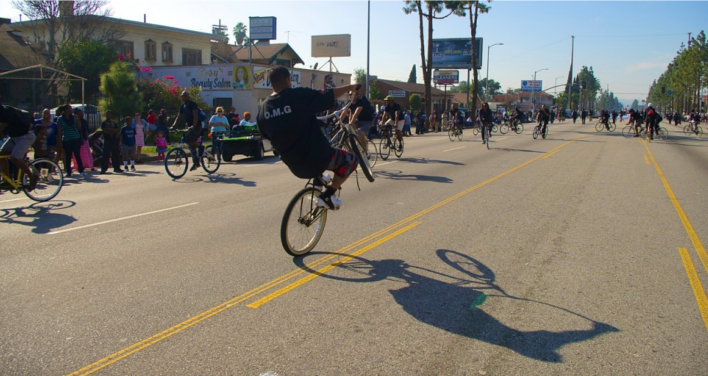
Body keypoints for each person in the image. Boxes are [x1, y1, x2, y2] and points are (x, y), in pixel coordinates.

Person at [256, 66, 361, 210]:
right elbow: (329, 94)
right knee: (352, 161)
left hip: (295, 166)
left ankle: (319, 181)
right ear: (288, 80)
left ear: (271, 83)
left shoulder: (262, 110)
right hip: (317, 158)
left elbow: (267, 137)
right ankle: (328, 195)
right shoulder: (297, 96)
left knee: (308, 151)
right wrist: (351, 87)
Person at [0, 96, 38, 189]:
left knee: (14, 158)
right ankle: (7, 180)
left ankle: (32, 177)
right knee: (1, 155)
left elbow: (1, 129)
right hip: (14, 137)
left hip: (25, 136)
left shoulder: (5, 112)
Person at [171, 91, 203, 171]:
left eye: (184, 96)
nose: (183, 97)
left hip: (197, 126)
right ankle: (196, 163)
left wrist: (194, 126)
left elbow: (195, 115)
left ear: (188, 96)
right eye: (182, 96)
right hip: (188, 126)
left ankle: (201, 147)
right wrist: (173, 125)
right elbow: (179, 116)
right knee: (189, 143)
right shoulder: (182, 106)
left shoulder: (192, 104)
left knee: (189, 140)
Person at [55, 104, 84, 178]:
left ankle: (81, 170)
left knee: (77, 154)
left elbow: (79, 128)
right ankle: (68, 171)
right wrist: (60, 142)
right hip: (66, 139)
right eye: (70, 108)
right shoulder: (60, 119)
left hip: (75, 138)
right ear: (66, 110)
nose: (71, 110)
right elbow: (59, 131)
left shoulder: (74, 117)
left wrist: (78, 120)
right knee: (68, 155)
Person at [347, 85, 375, 153]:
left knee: (361, 133)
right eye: (350, 94)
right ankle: (356, 141)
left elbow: (356, 112)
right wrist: (339, 121)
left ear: (357, 95)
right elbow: (348, 112)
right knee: (349, 128)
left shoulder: (361, 101)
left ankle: (365, 151)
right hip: (359, 121)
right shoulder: (349, 103)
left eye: (353, 94)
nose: (351, 96)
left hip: (367, 121)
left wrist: (351, 121)